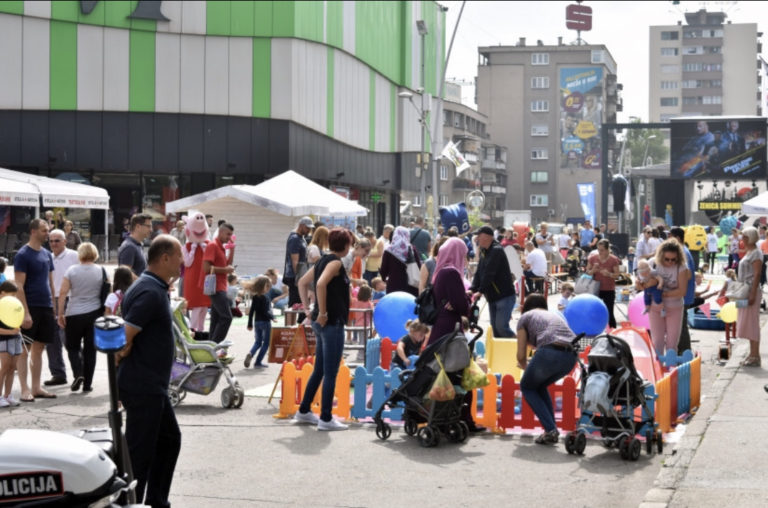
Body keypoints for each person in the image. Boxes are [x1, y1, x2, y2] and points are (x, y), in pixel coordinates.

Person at [116, 235, 182, 507]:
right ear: (165, 258)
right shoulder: (149, 291)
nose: (182, 261)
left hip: (151, 384)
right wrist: (125, 348)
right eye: (179, 256)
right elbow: (122, 337)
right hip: (143, 385)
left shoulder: (151, 286)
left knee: (168, 440)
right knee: (139, 453)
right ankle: (128, 502)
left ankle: (156, 500)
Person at [293, 228, 354, 431]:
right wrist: (323, 313)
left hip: (321, 323)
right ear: (346, 245)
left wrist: (307, 310)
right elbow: (319, 284)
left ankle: (303, 410)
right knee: (330, 372)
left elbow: (302, 282)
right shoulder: (335, 262)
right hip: (331, 322)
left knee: (320, 370)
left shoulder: (322, 260)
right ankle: (326, 418)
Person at [516, 293, 578, 444]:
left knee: (527, 386)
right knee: (539, 385)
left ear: (525, 307)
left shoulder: (524, 318)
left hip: (549, 352)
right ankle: (550, 429)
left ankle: (550, 429)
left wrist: (525, 366)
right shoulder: (551, 316)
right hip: (571, 356)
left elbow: (520, 354)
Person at [14, 218, 57, 401]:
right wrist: (25, 312)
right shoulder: (23, 254)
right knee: (25, 349)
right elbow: (18, 285)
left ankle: (37, 387)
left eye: (47, 230)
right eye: (43, 230)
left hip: (46, 306)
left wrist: (54, 308)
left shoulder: (47, 254)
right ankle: (24, 389)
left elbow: (50, 282)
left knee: (39, 349)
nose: (47, 233)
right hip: (30, 306)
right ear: (33, 231)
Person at [56, 242, 104, 394]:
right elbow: (106, 292)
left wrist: (60, 313)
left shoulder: (72, 270)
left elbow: (63, 293)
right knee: (91, 350)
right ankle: (87, 383)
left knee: (73, 346)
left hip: (74, 313)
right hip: (94, 313)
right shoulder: (102, 271)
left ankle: (78, 373)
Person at [638, 239, 690, 355]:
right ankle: (658, 370)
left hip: (674, 307)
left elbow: (682, 291)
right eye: (667, 259)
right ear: (661, 256)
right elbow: (642, 285)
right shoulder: (652, 263)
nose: (670, 262)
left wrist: (662, 294)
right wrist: (644, 284)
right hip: (655, 308)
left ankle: (670, 368)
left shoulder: (681, 266)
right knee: (657, 342)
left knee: (672, 344)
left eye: (673, 259)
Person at [43, 229, 78, 387]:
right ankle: (58, 373)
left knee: (68, 338)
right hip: (51, 300)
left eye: (57, 240)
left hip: (69, 299)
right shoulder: (47, 257)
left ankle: (80, 372)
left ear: (65, 241)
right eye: (51, 241)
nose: (54, 244)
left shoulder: (74, 256)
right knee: (51, 339)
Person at [471, 226, 517, 338]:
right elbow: (479, 272)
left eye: (479, 236)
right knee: (495, 330)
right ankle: (501, 353)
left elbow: (489, 273)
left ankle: (521, 346)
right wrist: (472, 289)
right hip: (493, 297)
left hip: (504, 296)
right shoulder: (484, 251)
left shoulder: (496, 250)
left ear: (487, 237)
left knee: (502, 328)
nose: (476, 239)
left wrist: (480, 291)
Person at [732, 227, 763, 367]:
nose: (741, 239)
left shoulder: (756, 253)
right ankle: (752, 354)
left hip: (750, 290)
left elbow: (757, 274)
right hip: (745, 290)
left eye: (743, 236)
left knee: (752, 323)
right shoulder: (750, 251)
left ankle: (755, 355)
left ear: (749, 238)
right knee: (746, 322)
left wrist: (752, 293)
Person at [203, 222, 236, 343]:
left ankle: (211, 347)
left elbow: (228, 265)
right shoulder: (213, 246)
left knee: (216, 320)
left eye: (231, 235)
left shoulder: (221, 247)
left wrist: (232, 250)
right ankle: (215, 346)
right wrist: (225, 270)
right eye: (228, 234)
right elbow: (206, 268)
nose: (229, 237)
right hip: (215, 287)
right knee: (226, 318)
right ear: (220, 232)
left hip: (220, 286)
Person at [669, 227, 697, 354]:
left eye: (670, 236)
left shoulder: (683, 252)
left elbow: (688, 274)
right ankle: (683, 352)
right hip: (683, 295)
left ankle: (685, 353)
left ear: (677, 238)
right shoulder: (682, 251)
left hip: (683, 295)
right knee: (679, 326)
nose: (668, 239)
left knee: (681, 327)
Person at [283, 217, 313, 321]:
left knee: (301, 303)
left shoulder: (301, 237)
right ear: (301, 226)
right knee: (294, 304)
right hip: (295, 276)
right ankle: (289, 329)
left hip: (300, 275)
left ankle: (299, 325)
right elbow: (294, 260)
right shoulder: (295, 238)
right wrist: (299, 278)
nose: (309, 230)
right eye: (307, 228)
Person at [586, 239, 620, 329]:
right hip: (596, 289)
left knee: (609, 312)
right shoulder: (593, 258)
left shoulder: (613, 259)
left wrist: (609, 274)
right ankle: (594, 329)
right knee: (595, 311)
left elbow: (617, 275)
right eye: (598, 249)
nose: (600, 252)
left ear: (607, 249)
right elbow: (587, 271)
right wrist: (593, 270)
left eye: (602, 250)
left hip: (609, 289)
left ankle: (613, 331)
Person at [380, 226, 421, 297]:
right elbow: (419, 266)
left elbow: (383, 270)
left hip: (394, 285)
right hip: (410, 285)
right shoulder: (411, 249)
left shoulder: (388, 251)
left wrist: (384, 279)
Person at [0, 281, 23, 408]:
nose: (14, 297)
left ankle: (8, 395)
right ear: (2, 293)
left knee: (12, 367)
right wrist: (10, 331)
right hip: (3, 339)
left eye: (15, 295)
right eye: (12, 294)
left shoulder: (12, 305)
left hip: (15, 338)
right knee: (4, 367)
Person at [244, 275, 274, 369]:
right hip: (265, 322)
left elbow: (252, 311)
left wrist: (249, 324)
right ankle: (258, 362)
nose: (269, 288)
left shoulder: (255, 297)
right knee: (266, 343)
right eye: (268, 286)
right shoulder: (265, 298)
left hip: (257, 322)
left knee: (257, 342)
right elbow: (266, 311)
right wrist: (272, 317)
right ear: (265, 287)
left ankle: (251, 353)